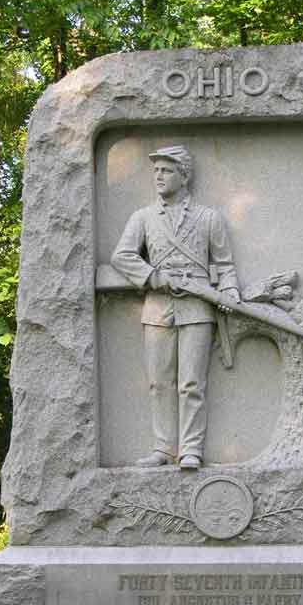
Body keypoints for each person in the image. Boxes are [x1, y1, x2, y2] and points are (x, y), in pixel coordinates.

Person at [111, 145, 240, 469]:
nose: (159, 176)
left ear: (184, 176)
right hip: (157, 306)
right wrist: (154, 277)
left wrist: (229, 293)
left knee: (192, 383)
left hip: (197, 306)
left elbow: (224, 265)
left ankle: (191, 450)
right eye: (155, 170)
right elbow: (122, 256)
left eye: (166, 171)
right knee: (159, 383)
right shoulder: (142, 217)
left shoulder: (209, 218)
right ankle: (163, 449)